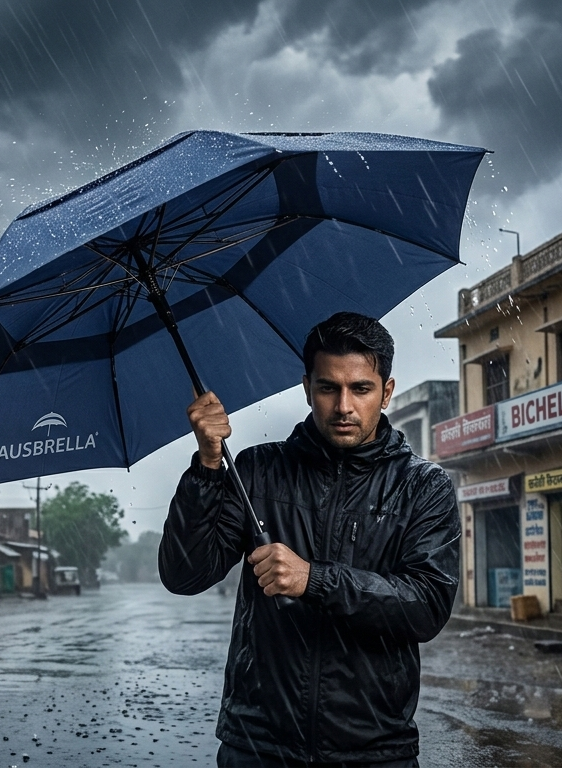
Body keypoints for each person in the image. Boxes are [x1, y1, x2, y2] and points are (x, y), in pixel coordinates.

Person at [158, 312, 460, 767]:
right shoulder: (257, 472)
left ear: (387, 391)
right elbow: (185, 573)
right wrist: (207, 466)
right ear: (306, 387)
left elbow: (426, 606)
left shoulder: (423, 486)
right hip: (258, 744)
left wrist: (314, 580)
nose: (343, 406)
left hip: (374, 749)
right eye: (328, 388)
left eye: (360, 389)